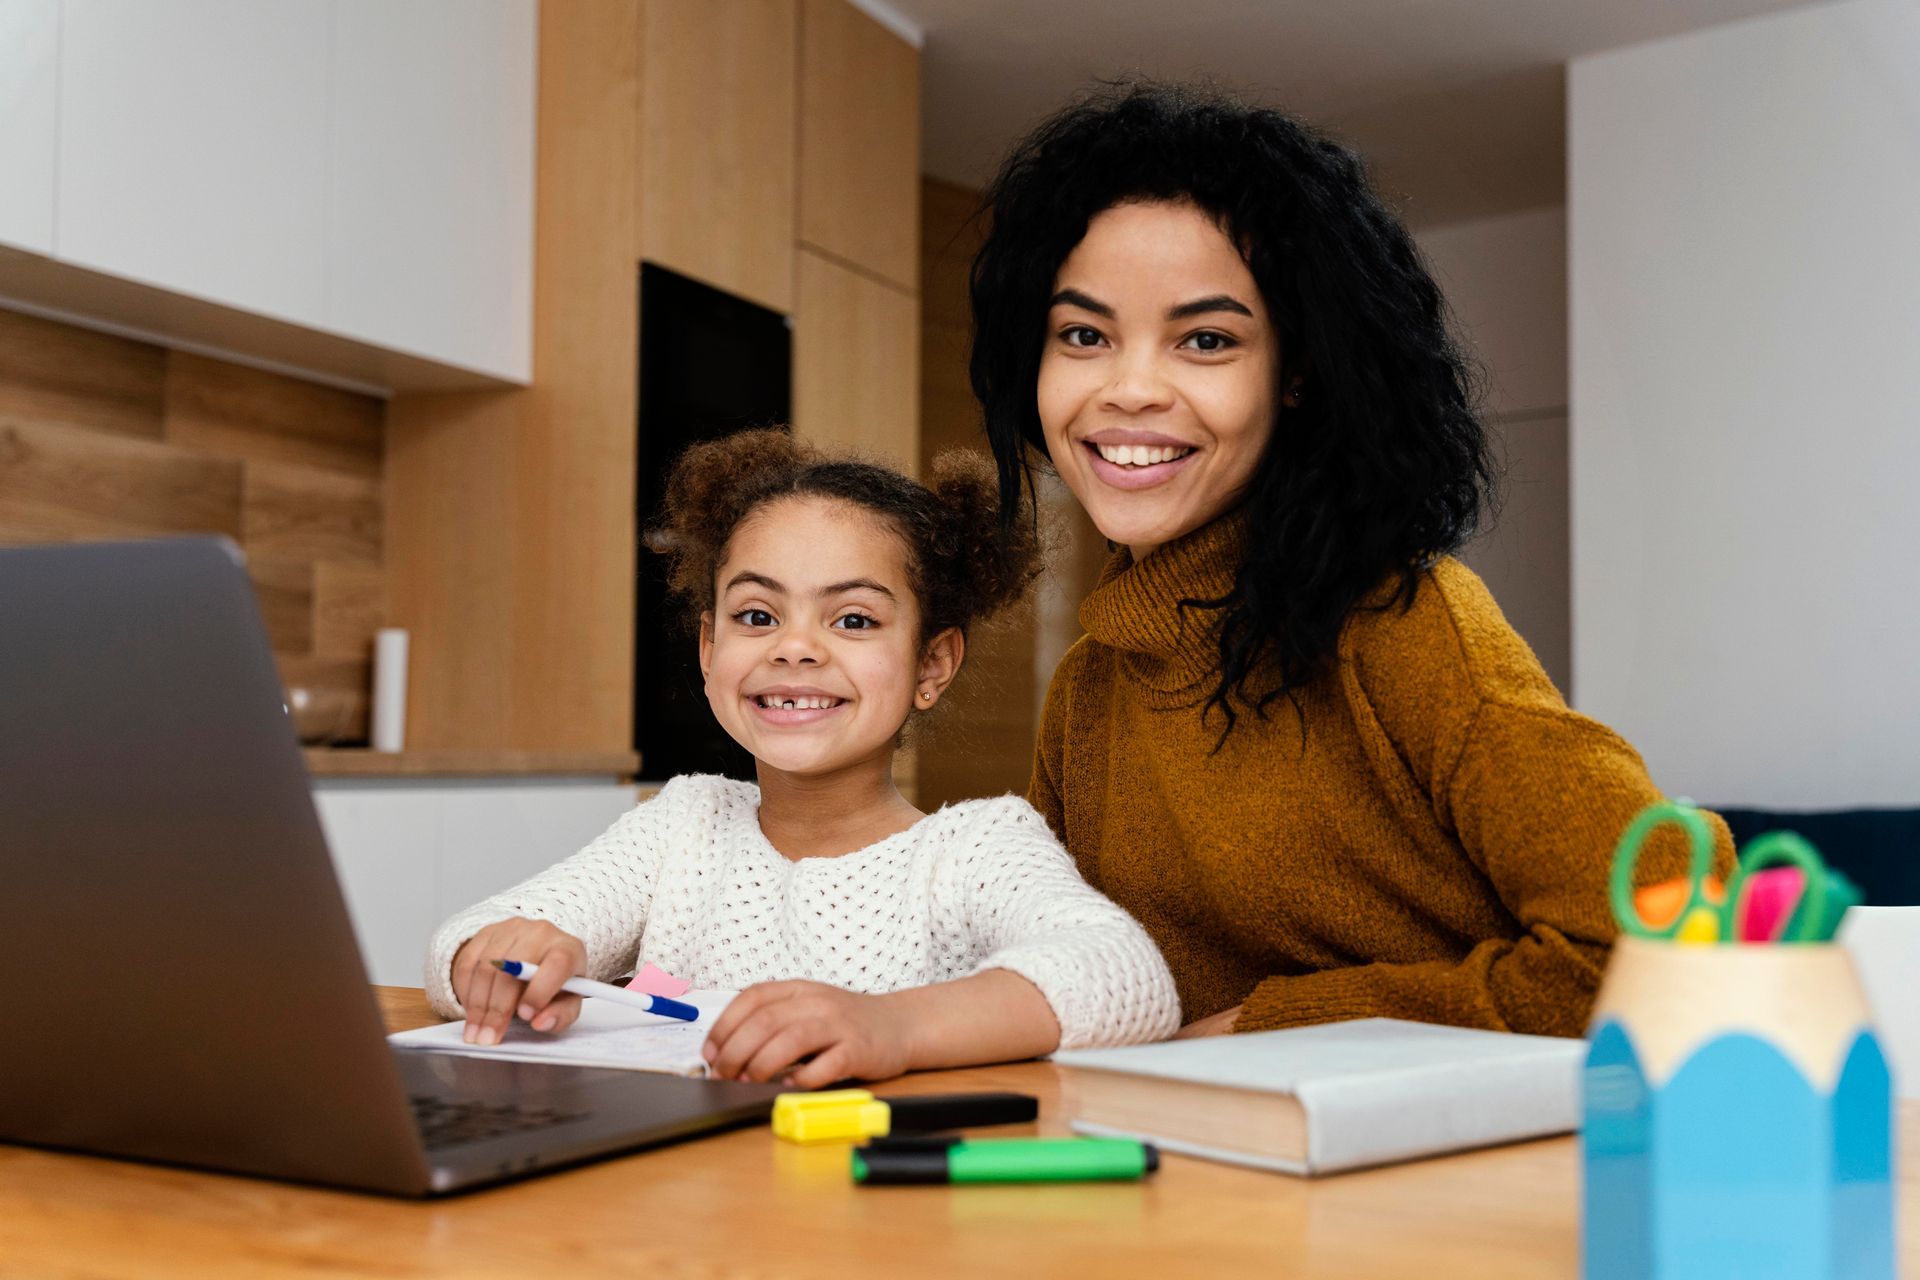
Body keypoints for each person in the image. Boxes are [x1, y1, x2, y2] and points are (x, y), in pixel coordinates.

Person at [967, 82, 1732, 1040]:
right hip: (1190, 1172)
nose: (1130, 389)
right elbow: (1066, 976)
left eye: (1205, 339)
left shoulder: (1406, 625)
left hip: (1441, 1178)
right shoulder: (1088, 694)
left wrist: (1277, 1022)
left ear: (1296, 376)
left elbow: (1677, 944)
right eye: (1084, 335)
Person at [424, 429, 1179, 1086]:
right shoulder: (681, 826)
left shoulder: (977, 848)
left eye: (852, 618)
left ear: (931, 666)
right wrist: (496, 961)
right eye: (757, 615)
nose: (794, 647)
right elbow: (461, 944)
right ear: (710, 646)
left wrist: (891, 1028)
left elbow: (1130, 979)